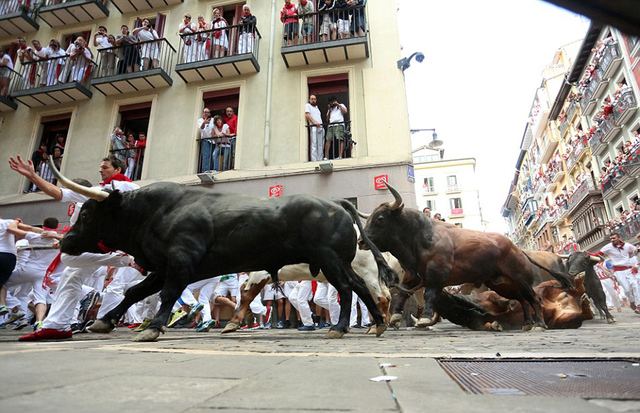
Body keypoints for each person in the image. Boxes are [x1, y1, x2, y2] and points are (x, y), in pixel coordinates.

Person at [8, 155, 140, 341]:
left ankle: (125, 261)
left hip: (106, 245)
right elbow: (60, 193)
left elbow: (59, 193)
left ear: (118, 170)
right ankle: (57, 325)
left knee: (68, 259)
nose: (100, 170)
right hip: (94, 245)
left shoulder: (122, 188)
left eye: (105, 167)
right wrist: (32, 176)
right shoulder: (97, 192)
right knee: (69, 280)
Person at [597, 232, 640, 314]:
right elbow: (597, 254)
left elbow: (635, 251)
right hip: (618, 271)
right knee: (627, 290)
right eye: (611, 239)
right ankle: (631, 301)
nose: (612, 240)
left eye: (614, 238)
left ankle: (638, 305)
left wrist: (634, 261)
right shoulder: (608, 247)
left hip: (629, 269)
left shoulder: (627, 245)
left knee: (635, 285)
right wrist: (587, 253)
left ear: (619, 238)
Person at [323, 95, 348, 160]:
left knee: (340, 139)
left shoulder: (341, 105)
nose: (332, 103)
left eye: (333, 102)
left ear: (336, 101)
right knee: (328, 140)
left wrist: (338, 105)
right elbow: (327, 119)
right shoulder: (330, 109)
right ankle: (325, 157)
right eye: (331, 102)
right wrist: (329, 110)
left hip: (339, 124)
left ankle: (340, 156)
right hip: (331, 125)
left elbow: (345, 111)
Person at [305, 95, 324, 161]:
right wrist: (314, 123)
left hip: (320, 127)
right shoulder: (308, 105)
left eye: (314, 99)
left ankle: (320, 159)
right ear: (309, 100)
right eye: (312, 99)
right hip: (314, 127)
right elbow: (307, 115)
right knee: (314, 143)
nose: (313, 100)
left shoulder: (317, 108)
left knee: (321, 144)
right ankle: (314, 160)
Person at [197, 108, 214, 172]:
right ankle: (205, 170)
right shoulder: (200, 120)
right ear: (203, 113)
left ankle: (211, 170)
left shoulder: (212, 120)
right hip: (205, 140)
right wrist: (204, 123)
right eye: (205, 112)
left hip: (212, 140)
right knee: (205, 156)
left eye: (208, 112)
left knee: (212, 156)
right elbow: (201, 128)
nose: (207, 114)